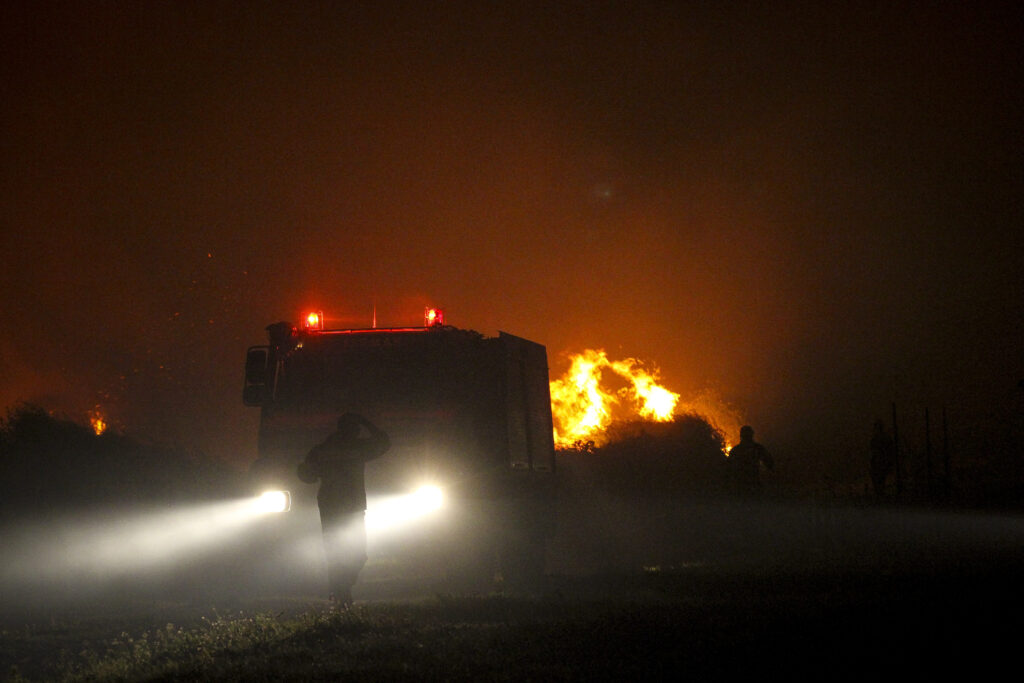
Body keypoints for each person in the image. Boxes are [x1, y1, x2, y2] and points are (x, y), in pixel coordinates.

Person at [297, 413, 390, 606]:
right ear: (354, 430)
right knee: (358, 554)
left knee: (335, 552)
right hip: (353, 507)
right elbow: (384, 442)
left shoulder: (323, 449)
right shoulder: (358, 448)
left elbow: (307, 474)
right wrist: (366, 421)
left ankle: (339, 590)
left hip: (330, 505)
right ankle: (342, 590)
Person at [727, 425, 773, 496]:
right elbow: (769, 463)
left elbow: (728, 468)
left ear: (741, 436)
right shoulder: (758, 448)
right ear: (752, 435)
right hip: (753, 484)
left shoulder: (735, 450)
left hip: (740, 486)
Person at [869, 419, 896, 498]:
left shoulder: (877, 438)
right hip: (881, 461)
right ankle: (880, 494)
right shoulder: (884, 438)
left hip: (880, 461)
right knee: (880, 479)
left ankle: (879, 494)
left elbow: (873, 451)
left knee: (879, 479)